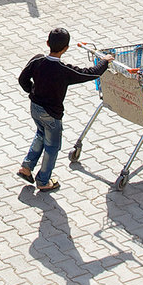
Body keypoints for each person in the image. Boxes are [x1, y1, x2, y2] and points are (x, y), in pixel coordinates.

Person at [16, 28, 112, 194]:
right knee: (52, 146)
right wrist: (105, 61)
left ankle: (26, 167)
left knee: (40, 133)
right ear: (66, 48)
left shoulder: (37, 60)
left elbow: (22, 78)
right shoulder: (63, 70)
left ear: (47, 43)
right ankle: (43, 181)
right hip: (51, 114)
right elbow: (89, 74)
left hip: (35, 109)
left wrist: (32, 91)